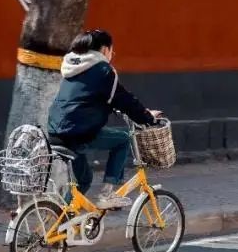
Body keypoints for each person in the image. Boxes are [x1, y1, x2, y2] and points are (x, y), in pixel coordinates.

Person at [47, 29, 161, 209]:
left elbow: (85, 97)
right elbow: (125, 99)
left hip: (55, 131)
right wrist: (148, 118)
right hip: (77, 132)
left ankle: (61, 218)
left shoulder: (72, 67)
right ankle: (107, 194)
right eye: (111, 51)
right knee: (123, 139)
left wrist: (109, 106)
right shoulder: (103, 70)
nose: (111, 55)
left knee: (84, 180)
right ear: (104, 49)